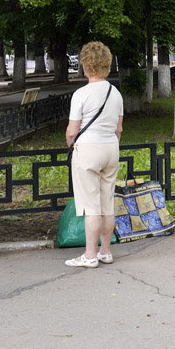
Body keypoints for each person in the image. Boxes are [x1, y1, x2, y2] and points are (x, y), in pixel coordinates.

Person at [63, 41, 124, 268]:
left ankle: (89, 255)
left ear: (85, 65)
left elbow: (72, 132)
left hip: (88, 150)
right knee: (107, 203)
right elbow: (119, 129)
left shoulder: (81, 94)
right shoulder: (115, 93)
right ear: (106, 64)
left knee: (91, 206)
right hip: (111, 149)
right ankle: (105, 251)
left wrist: (72, 146)